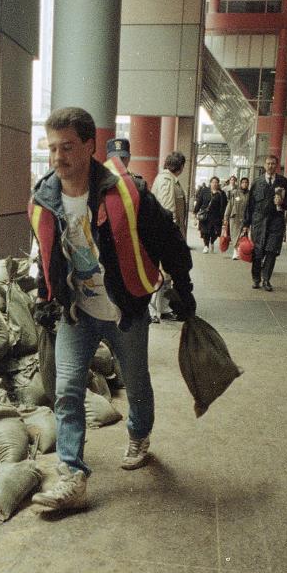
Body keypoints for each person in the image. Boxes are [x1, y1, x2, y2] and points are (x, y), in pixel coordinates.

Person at [28, 107, 196, 513]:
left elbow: (169, 241)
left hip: (126, 312)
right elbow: (46, 255)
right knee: (67, 391)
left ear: (90, 146)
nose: (58, 157)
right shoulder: (45, 196)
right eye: (52, 148)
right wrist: (45, 297)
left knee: (136, 383)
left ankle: (139, 434)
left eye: (67, 147)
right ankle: (72, 474)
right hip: (78, 312)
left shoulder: (128, 192)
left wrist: (183, 287)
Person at [242, 154, 287, 291]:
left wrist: (282, 203)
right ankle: (256, 278)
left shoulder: (283, 182)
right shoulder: (257, 182)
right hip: (259, 222)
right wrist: (246, 224)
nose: (270, 166)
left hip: (276, 221)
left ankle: (266, 279)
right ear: (264, 165)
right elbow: (250, 205)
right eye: (268, 163)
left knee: (271, 251)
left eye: (273, 164)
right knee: (258, 252)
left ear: (277, 166)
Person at [151, 151, 189, 322]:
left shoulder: (167, 179)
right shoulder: (167, 182)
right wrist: (172, 239)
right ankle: (154, 310)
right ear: (180, 166)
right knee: (161, 273)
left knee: (166, 274)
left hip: (165, 235)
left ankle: (163, 308)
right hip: (166, 236)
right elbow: (168, 211)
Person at [197, 176, 227, 254]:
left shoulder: (221, 193)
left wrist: (224, 217)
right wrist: (195, 212)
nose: (214, 184)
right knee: (205, 231)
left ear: (218, 184)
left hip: (216, 216)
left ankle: (212, 241)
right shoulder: (204, 191)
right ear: (210, 183)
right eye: (213, 182)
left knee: (215, 233)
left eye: (216, 182)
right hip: (206, 216)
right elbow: (199, 202)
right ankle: (206, 246)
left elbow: (224, 205)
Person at [223, 177, 250, 259]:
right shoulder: (235, 193)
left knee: (242, 236)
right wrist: (226, 218)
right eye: (243, 182)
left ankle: (240, 251)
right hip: (235, 217)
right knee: (235, 235)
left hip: (245, 218)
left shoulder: (250, 194)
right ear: (240, 183)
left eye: (246, 182)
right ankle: (235, 251)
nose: (245, 184)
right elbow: (230, 205)